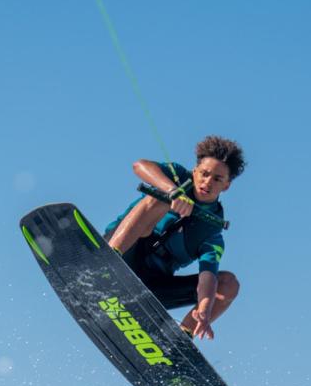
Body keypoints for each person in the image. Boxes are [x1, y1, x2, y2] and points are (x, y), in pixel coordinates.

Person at [105, 135, 245, 340]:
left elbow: (208, 276)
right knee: (161, 198)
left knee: (229, 284)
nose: (208, 182)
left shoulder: (213, 227)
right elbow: (140, 166)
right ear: (195, 171)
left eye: (217, 179)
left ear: (226, 186)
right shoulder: (178, 177)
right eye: (204, 174)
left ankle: (179, 341)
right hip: (124, 254)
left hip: (150, 285)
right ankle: (107, 261)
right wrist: (173, 191)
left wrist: (205, 309)